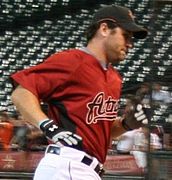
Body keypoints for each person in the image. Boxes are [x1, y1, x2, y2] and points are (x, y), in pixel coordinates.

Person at [10, 5, 148, 180]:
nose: (130, 44)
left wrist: (126, 124)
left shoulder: (115, 78)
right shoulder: (72, 61)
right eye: (126, 36)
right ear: (104, 29)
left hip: (84, 169)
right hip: (67, 165)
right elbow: (21, 92)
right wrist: (47, 126)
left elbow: (99, 130)